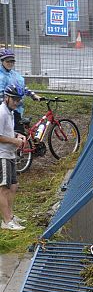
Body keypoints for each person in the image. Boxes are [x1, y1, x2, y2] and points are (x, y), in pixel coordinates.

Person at [0, 85, 28, 231]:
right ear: (6, 97)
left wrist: (18, 135)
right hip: (2, 155)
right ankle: (6, 221)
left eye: (18, 100)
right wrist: (14, 141)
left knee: (13, 186)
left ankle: (10, 216)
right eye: (14, 99)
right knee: (4, 189)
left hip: (10, 154)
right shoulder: (2, 113)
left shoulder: (10, 112)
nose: (17, 102)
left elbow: (7, 131)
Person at [0, 49, 42, 134]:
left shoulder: (15, 74)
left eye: (12, 61)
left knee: (16, 133)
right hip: (6, 111)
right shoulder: (1, 76)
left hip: (16, 109)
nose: (10, 63)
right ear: (2, 61)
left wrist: (33, 95)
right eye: (7, 61)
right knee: (12, 134)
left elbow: (22, 87)